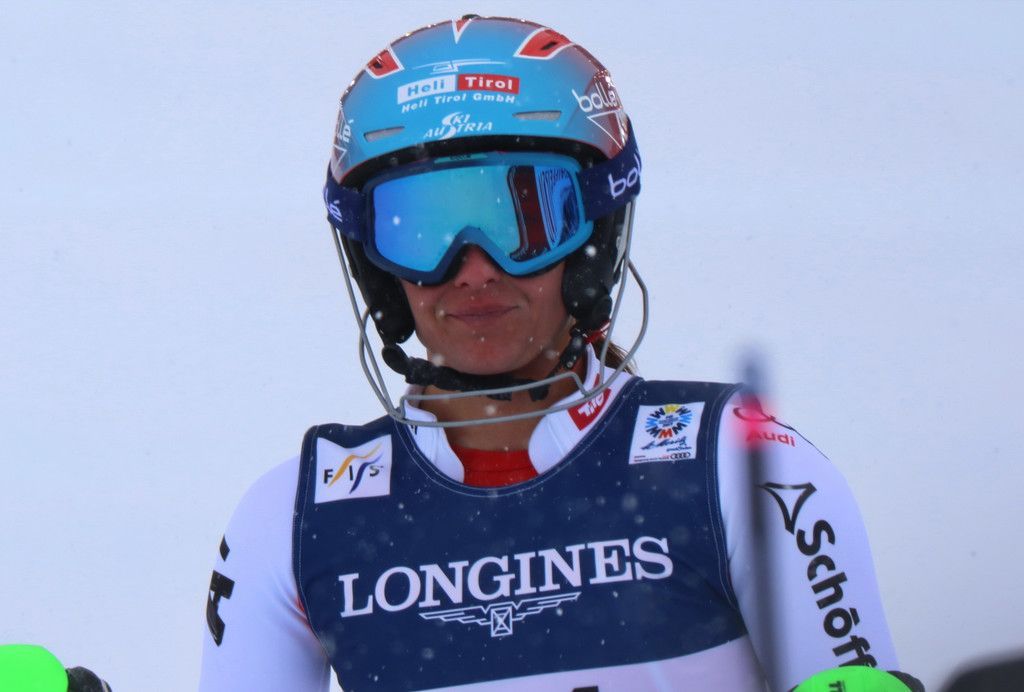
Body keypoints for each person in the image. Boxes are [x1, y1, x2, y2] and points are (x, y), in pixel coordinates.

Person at [200, 15, 919, 691]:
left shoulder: (737, 462)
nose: (474, 268)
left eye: (528, 217)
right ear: (376, 270)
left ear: (596, 238)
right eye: (421, 226)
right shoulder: (294, 517)